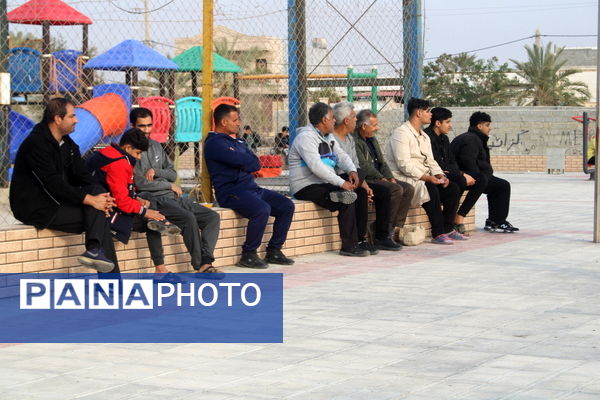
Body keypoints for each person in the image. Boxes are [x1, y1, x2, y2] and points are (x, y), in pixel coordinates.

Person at [9, 97, 118, 272]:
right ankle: (110, 281)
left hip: (59, 201)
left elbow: (83, 176)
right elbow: (53, 184)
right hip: (38, 207)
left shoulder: (67, 143)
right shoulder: (36, 144)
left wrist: (104, 198)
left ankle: (95, 252)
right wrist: (89, 200)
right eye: (72, 116)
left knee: (98, 196)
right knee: (99, 216)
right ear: (58, 119)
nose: (77, 119)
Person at [130, 108, 223, 276]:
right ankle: (200, 265)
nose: (146, 130)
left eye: (149, 125)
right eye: (141, 126)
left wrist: (157, 172)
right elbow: (140, 183)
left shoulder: (156, 146)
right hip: (156, 199)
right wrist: (167, 186)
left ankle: (207, 260)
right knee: (188, 218)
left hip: (174, 197)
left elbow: (172, 174)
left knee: (212, 217)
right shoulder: (131, 150)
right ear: (132, 125)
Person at [205, 104, 295, 268]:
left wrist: (243, 161)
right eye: (235, 120)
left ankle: (274, 250)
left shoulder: (238, 141)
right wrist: (243, 161)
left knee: (286, 205)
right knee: (261, 210)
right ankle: (249, 254)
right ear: (224, 122)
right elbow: (244, 161)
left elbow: (254, 163)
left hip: (252, 189)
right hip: (231, 192)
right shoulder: (214, 143)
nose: (238, 123)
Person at [87, 128, 182, 280]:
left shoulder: (110, 152)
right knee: (149, 219)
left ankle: (158, 224)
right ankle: (159, 266)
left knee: (149, 211)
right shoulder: (119, 162)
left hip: (102, 202)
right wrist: (145, 212)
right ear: (128, 148)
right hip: (102, 209)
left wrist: (136, 198)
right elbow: (121, 201)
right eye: (137, 153)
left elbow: (117, 189)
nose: (138, 158)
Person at [289, 102, 368, 257]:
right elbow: (316, 167)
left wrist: (351, 171)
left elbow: (341, 156)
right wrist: (341, 183)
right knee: (346, 198)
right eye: (332, 118)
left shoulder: (328, 137)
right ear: (324, 120)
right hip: (306, 186)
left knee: (357, 191)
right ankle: (349, 246)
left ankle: (360, 239)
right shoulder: (305, 138)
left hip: (324, 184)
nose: (334, 121)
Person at [385, 98, 467, 245]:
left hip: (424, 176)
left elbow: (431, 160)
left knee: (452, 188)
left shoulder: (424, 136)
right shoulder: (401, 133)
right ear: (418, 112)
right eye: (428, 111)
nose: (431, 114)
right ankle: (438, 232)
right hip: (405, 177)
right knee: (429, 188)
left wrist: (440, 175)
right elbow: (403, 164)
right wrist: (426, 178)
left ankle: (448, 229)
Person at [332, 102, 400, 252]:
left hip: (353, 178)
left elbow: (356, 165)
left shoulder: (349, 139)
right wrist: (366, 182)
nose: (356, 121)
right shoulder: (331, 139)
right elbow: (340, 167)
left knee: (374, 192)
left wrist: (365, 185)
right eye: (354, 117)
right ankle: (354, 241)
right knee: (359, 194)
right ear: (346, 120)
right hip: (338, 179)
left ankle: (369, 237)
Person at [451, 111, 519, 233]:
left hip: (475, 175)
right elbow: (468, 161)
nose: (490, 128)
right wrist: (481, 177)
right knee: (503, 186)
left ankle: (494, 221)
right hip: (470, 176)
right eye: (487, 125)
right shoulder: (471, 139)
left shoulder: (472, 137)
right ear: (479, 126)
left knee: (499, 186)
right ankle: (498, 221)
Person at [354, 109, 415, 241]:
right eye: (374, 125)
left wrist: (390, 177)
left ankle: (392, 228)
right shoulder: (355, 140)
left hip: (379, 177)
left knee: (408, 188)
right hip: (368, 179)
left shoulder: (372, 139)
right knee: (395, 189)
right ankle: (383, 233)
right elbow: (364, 166)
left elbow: (382, 162)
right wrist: (381, 178)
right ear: (364, 126)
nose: (378, 128)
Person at [424, 107, 486, 236]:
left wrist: (460, 173)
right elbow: (436, 164)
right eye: (448, 122)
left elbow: (451, 162)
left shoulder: (444, 139)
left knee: (481, 179)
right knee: (459, 183)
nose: (450, 126)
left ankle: (459, 216)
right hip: (435, 174)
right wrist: (461, 174)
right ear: (438, 123)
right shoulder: (427, 137)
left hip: (449, 172)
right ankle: (449, 225)